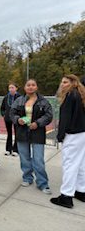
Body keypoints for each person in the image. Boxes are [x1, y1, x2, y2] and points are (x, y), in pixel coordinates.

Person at [10, 79, 53, 194]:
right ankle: (27, 178)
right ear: (24, 88)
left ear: (36, 87)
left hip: (37, 133)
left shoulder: (43, 101)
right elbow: (12, 113)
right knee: (24, 158)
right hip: (22, 133)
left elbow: (49, 115)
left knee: (38, 159)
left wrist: (38, 123)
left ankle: (42, 183)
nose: (30, 87)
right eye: (28, 85)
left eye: (33, 85)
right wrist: (18, 120)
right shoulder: (19, 100)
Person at [50, 74, 85, 208]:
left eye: (65, 82)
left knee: (69, 164)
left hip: (73, 134)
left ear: (73, 83)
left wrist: (60, 136)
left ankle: (66, 196)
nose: (62, 84)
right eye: (62, 82)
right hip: (82, 133)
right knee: (81, 164)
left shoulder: (70, 95)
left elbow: (65, 118)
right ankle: (81, 191)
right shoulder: (81, 95)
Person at [0, 82, 20, 156]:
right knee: (9, 134)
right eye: (9, 88)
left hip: (16, 118)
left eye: (12, 87)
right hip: (7, 118)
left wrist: (19, 116)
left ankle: (15, 150)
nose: (11, 89)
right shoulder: (6, 97)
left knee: (17, 134)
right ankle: (8, 149)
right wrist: (3, 114)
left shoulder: (20, 97)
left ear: (16, 88)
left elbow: (22, 108)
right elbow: (2, 108)